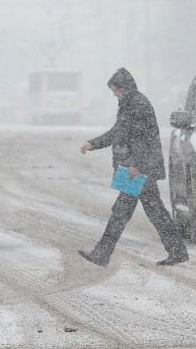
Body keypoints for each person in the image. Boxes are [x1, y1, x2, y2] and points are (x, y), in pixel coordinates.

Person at [78, 68, 188, 267]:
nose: (114, 94)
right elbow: (119, 132)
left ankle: (102, 254)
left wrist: (137, 165)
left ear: (123, 88)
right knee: (155, 212)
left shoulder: (136, 105)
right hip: (141, 168)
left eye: (115, 90)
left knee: (121, 213)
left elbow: (141, 139)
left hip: (138, 169)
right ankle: (177, 251)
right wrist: (93, 143)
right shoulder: (130, 103)